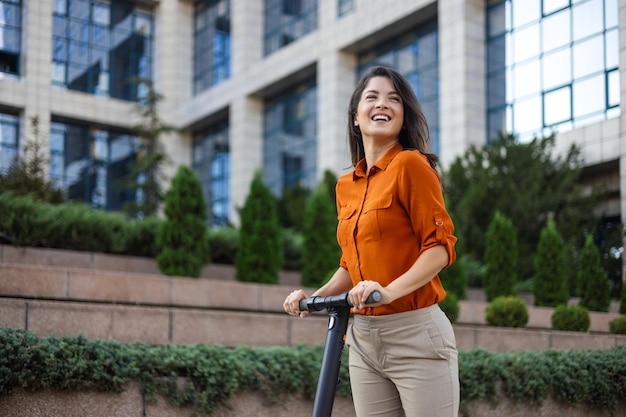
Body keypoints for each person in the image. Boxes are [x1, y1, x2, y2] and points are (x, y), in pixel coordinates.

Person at [283, 65, 459, 417]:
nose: (383, 104)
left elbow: (439, 248)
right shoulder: (346, 185)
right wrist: (313, 296)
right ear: (355, 118)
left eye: (394, 99)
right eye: (372, 97)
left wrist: (390, 290)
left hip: (415, 334)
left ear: (403, 116)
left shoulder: (412, 166)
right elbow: (351, 264)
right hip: (362, 337)